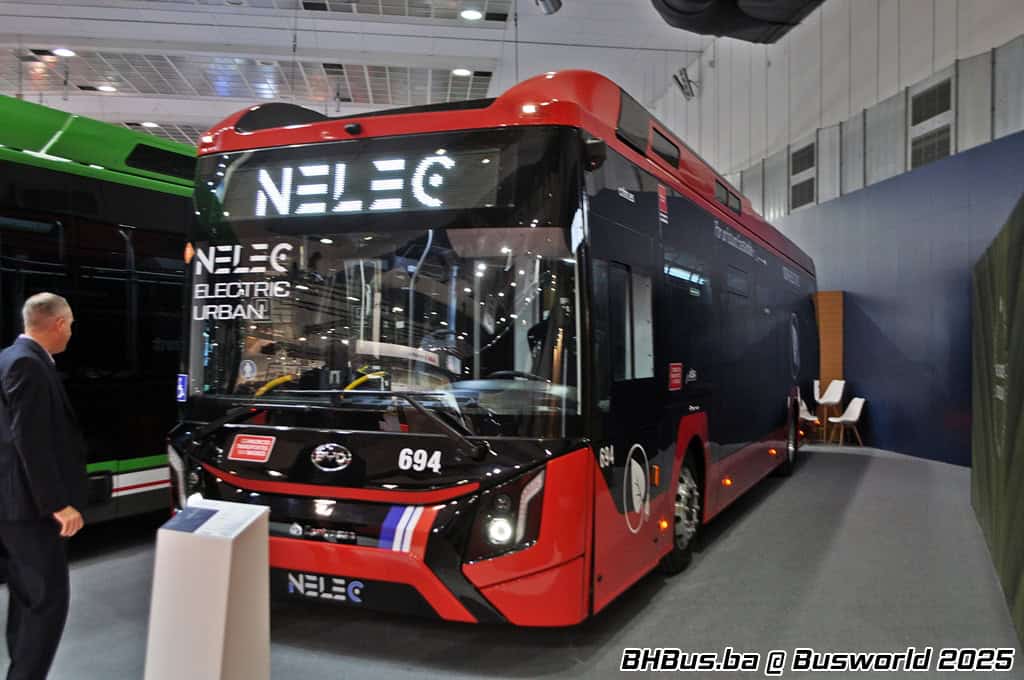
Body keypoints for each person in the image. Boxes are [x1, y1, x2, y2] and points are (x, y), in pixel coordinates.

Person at [0, 293, 87, 680]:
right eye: (70, 325)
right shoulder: (28, 364)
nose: (70, 333)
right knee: (47, 604)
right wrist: (57, 504)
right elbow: (30, 440)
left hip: (14, 505)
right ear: (58, 323)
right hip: (31, 510)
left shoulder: (8, 357)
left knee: (26, 599)